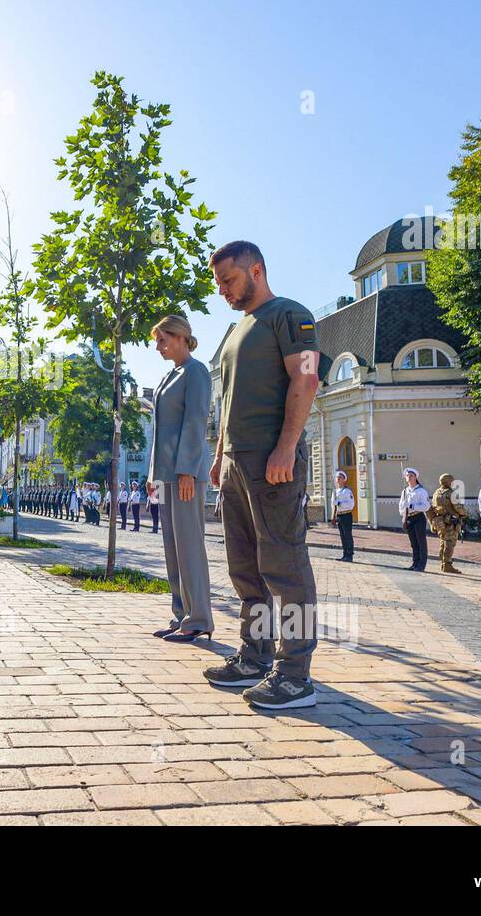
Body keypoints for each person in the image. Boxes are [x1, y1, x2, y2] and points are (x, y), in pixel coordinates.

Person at [202, 241, 321, 709]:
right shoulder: (235, 332)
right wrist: (219, 457)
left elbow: (306, 378)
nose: (224, 292)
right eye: (219, 285)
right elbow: (227, 402)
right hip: (235, 462)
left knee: (286, 568)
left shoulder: (292, 316)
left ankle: (295, 676)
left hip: (274, 460)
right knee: (245, 569)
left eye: (229, 281)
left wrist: (287, 447)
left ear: (256, 269)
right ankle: (254, 656)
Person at [146, 314, 213, 643]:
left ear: (180, 337)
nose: (158, 347)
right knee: (173, 547)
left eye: (162, 340)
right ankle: (181, 614)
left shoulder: (196, 372)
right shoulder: (167, 377)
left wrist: (187, 469)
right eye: (157, 341)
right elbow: (161, 431)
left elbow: (195, 421)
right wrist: (152, 474)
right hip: (167, 475)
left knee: (190, 547)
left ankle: (198, 617)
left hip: (187, 474)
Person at [427, 473, 467, 575]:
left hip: (440, 522)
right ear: (449, 482)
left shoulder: (436, 493)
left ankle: (443, 563)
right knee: (450, 543)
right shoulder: (451, 493)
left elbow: (431, 507)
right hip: (450, 522)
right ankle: (447, 565)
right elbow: (458, 507)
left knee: (442, 542)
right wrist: (464, 514)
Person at [398, 467, 430, 570]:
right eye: (407, 476)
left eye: (411, 475)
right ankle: (415, 563)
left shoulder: (421, 491)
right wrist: (404, 513)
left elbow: (426, 506)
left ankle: (421, 565)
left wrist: (412, 506)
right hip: (409, 518)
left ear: (416, 477)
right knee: (413, 543)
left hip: (418, 517)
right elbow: (401, 506)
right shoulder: (404, 491)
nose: (409, 477)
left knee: (421, 542)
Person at [330, 469, 356, 561]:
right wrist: (333, 517)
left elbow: (351, 505)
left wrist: (340, 503)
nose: (337, 479)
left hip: (346, 515)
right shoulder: (335, 491)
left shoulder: (347, 491)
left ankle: (349, 555)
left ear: (344, 479)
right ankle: (344, 554)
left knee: (347, 535)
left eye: (340, 477)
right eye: (337, 477)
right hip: (339, 516)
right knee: (342, 536)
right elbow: (333, 505)